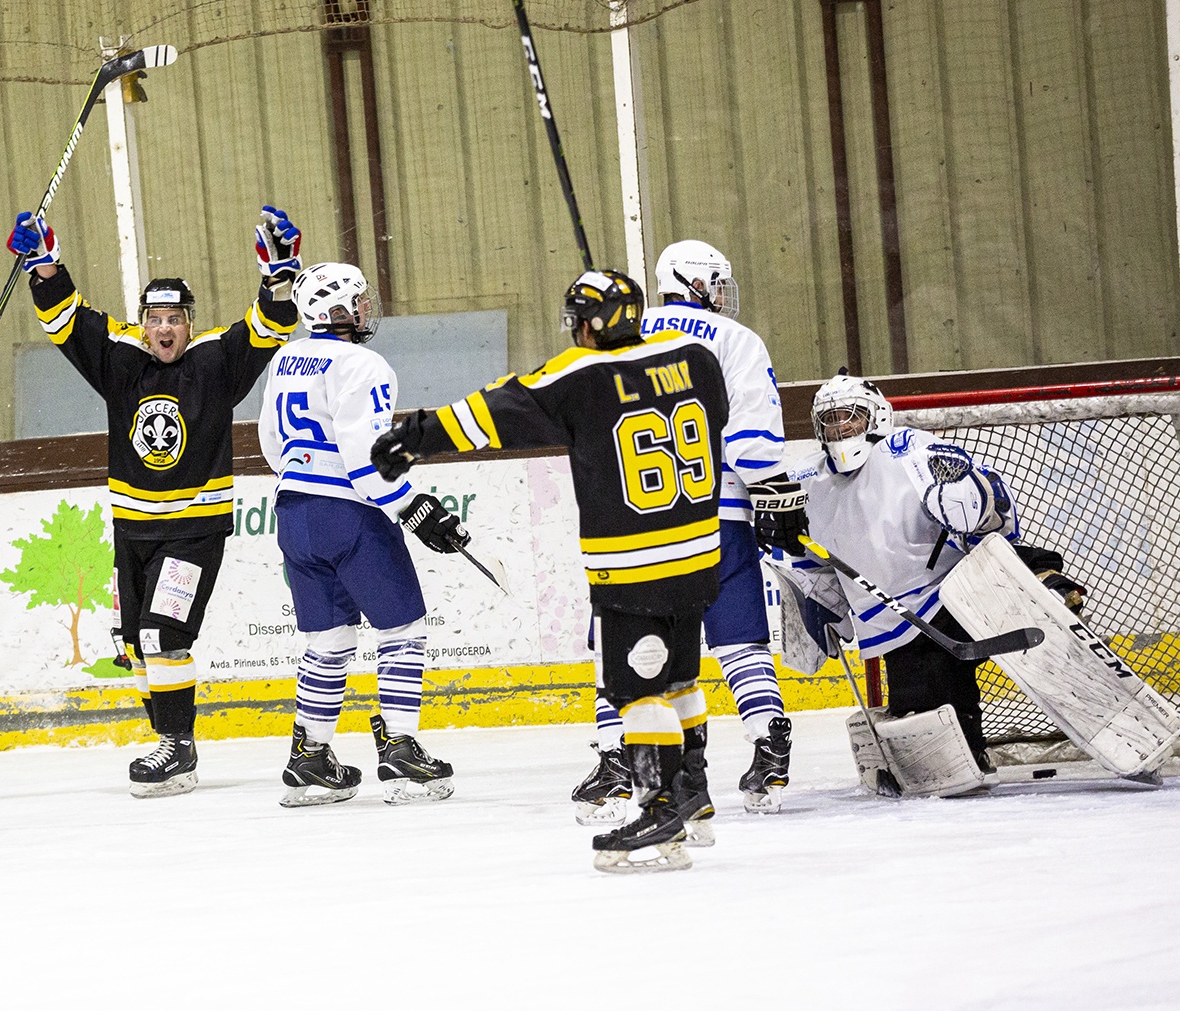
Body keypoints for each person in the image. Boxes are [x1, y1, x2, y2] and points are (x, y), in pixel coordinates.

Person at [372, 270, 729, 873]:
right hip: (698, 556)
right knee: (678, 680)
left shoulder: (575, 376)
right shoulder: (697, 357)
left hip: (633, 565)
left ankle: (660, 808)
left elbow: (487, 413)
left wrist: (411, 437)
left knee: (636, 690)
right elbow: (713, 416)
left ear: (590, 324)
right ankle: (694, 796)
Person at [7, 204, 299, 797]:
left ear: (191, 324)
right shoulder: (121, 361)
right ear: (142, 324)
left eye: (176, 318)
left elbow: (268, 326)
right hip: (131, 534)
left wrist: (280, 278)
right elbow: (68, 322)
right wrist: (44, 266)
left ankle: (178, 748)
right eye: (155, 317)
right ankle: (169, 740)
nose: (165, 328)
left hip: (193, 532)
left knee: (166, 635)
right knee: (140, 649)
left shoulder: (216, 361)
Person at [759, 374, 1084, 776]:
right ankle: (973, 754)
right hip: (894, 622)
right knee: (930, 715)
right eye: (830, 420)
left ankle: (1047, 586)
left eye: (851, 417)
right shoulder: (807, 480)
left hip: (951, 591)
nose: (840, 428)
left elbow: (992, 502)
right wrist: (810, 585)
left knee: (1002, 561)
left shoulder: (908, 449)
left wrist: (972, 500)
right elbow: (811, 562)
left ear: (876, 417)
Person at [575, 240, 798, 827]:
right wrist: (776, 496)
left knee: (628, 645)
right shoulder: (737, 341)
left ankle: (617, 760)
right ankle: (769, 741)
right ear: (697, 283)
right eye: (718, 282)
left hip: (638, 525)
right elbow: (751, 435)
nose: (724, 294)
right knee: (739, 640)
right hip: (717, 516)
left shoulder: (625, 331)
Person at [257, 261, 470, 806]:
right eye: (357, 300)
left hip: (294, 513)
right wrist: (412, 505)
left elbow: (268, 444)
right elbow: (366, 456)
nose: (364, 308)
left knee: (327, 642)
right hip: (349, 514)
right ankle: (399, 749)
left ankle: (309, 758)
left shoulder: (284, 357)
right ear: (336, 309)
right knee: (403, 630)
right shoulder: (364, 363)